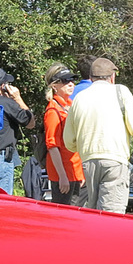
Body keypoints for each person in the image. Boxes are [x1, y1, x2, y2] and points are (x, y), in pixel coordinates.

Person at [62, 55, 133, 214]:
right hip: (115, 161)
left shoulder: (79, 98)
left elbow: (68, 141)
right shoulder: (121, 92)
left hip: (89, 162)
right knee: (112, 215)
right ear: (112, 77)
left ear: (91, 78)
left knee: (94, 212)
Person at [41, 64, 85, 206]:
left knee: (75, 215)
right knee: (63, 217)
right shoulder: (53, 111)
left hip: (75, 171)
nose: (71, 84)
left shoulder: (70, 105)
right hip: (63, 174)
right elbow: (52, 146)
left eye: (72, 80)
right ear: (55, 86)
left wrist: (80, 173)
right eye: (65, 81)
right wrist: (62, 176)